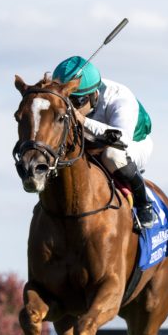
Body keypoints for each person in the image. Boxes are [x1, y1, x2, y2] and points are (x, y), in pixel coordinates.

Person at [52, 55, 157, 229]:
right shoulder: (84, 97)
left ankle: (143, 203)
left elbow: (121, 138)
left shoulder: (120, 99)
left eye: (76, 102)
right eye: (66, 101)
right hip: (94, 140)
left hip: (131, 144)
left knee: (112, 155)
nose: (71, 108)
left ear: (94, 94)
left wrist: (83, 121)